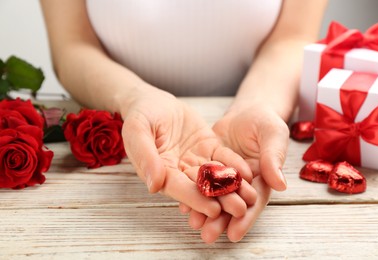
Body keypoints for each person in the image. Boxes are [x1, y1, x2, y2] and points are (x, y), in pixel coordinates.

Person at [40, 0, 327, 243]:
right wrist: (134, 97)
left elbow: (292, 36)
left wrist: (260, 104)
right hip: (123, 119)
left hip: (240, 115)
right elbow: (72, 45)